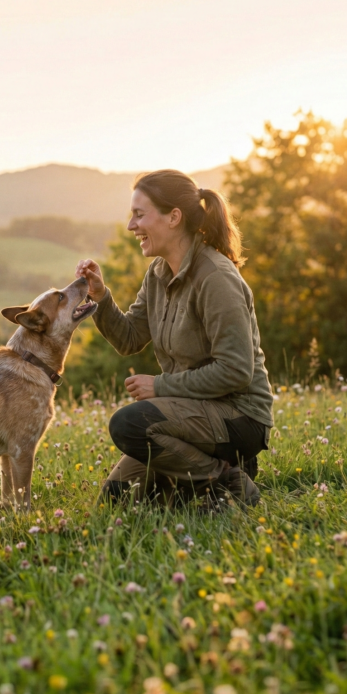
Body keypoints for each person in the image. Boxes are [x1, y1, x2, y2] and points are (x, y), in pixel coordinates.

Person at [76, 169, 273, 507]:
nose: (131, 226)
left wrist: (161, 386)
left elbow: (236, 370)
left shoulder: (216, 278)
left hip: (239, 417)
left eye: (139, 215)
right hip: (191, 413)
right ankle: (208, 475)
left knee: (128, 425)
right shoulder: (158, 273)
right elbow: (129, 338)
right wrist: (100, 296)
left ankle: (228, 483)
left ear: (174, 218)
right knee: (118, 499)